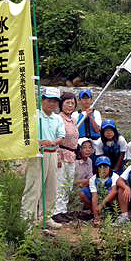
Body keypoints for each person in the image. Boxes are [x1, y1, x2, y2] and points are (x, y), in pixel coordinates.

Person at [21, 87, 65, 229]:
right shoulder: (34, 116)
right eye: (49, 100)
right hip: (37, 154)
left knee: (51, 187)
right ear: (42, 100)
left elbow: (61, 136)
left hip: (52, 153)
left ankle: (45, 217)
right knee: (34, 187)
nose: (52, 104)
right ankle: (27, 219)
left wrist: (52, 142)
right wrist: (38, 142)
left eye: (54, 101)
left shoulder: (57, 118)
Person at [53, 92, 79, 224]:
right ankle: (56, 212)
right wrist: (56, 155)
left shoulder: (73, 120)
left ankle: (63, 210)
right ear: (61, 104)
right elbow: (55, 136)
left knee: (68, 184)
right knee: (60, 183)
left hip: (71, 155)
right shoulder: (58, 118)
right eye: (67, 102)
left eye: (72, 103)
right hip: (61, 154)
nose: (70, 105)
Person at [80, 156, 120, 224]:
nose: (103, 169)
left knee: (115, 193)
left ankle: (114, 213)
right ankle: (94, 212)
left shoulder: (115, 176)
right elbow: (94, 196)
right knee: (82, 192)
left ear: (109, 167)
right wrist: (96, 216)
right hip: (99, 198)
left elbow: (114, 191)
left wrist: (101, 204)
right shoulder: (93, 179)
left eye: (105, 167)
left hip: (109, 199)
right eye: (100, 167)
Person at [73, 138, 94, 218]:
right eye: (84, 147)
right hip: (73, 188)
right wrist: (83, 181)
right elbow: (70, 181)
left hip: (84, 186)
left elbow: (90, 177)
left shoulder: (89, 161)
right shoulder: (74, 161)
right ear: (79, 149)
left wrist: (87, 181)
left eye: (89, 147)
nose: (87, 150)